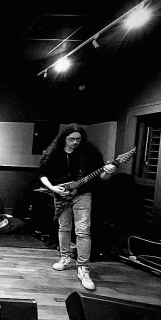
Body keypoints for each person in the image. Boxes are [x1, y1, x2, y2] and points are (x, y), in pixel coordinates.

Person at [38, 123, 116, 290]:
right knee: (64, 227)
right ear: (64, 138)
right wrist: (53, 188)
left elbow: (101, 176)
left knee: (83, 231)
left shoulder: (90, 153)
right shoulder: (54, 153)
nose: (75, 142)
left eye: (78, 139)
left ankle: (83, 268)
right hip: (60, 194)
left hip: (83, 194)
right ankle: (64, 257)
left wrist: (108, 172)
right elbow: (42, 174)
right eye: (71, 139)